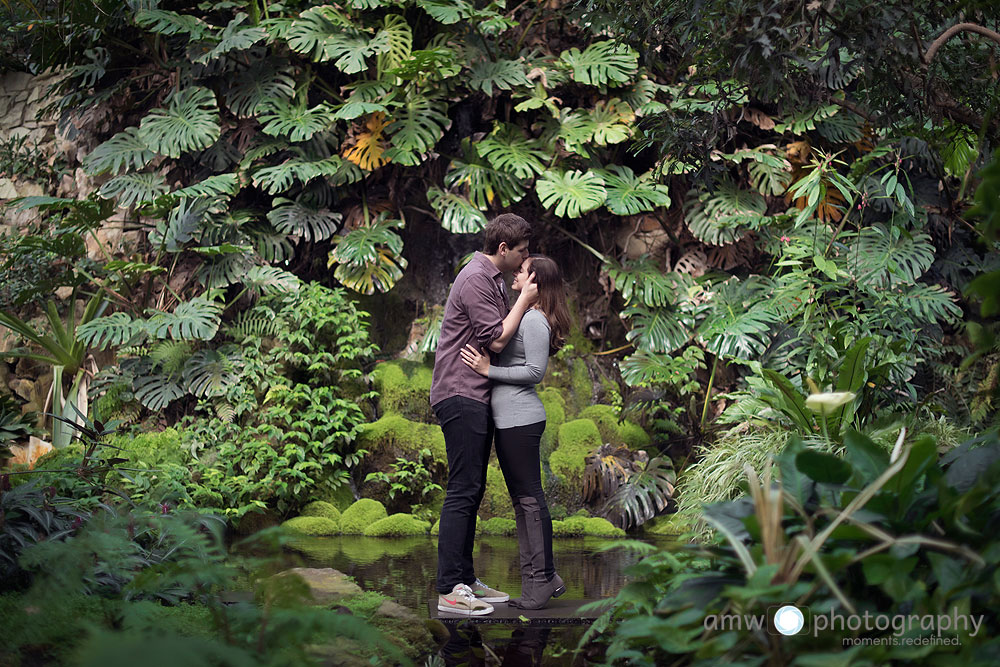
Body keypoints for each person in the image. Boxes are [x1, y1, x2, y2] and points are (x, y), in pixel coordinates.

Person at [431, 213, 538, 616]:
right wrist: (526, 299)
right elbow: (495, 338)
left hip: (475, 395)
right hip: (460, 393)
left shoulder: (490, 279)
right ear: (503, 249)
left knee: (472, 489)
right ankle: (448, 589)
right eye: (523, 251)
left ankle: (466, 579)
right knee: (462, 489)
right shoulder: (477, 278)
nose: (527, 257)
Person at [460, 254, 571, 610]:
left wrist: (488, 370)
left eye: (521, 271)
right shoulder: (523, 315)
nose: (515, 274)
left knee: (530, 501)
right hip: (510, 421)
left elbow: (535, 372)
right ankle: (541, 579)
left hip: (522, 421)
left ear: (535, 280)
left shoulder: (536, 320)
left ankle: (542, 579)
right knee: (523, 504)